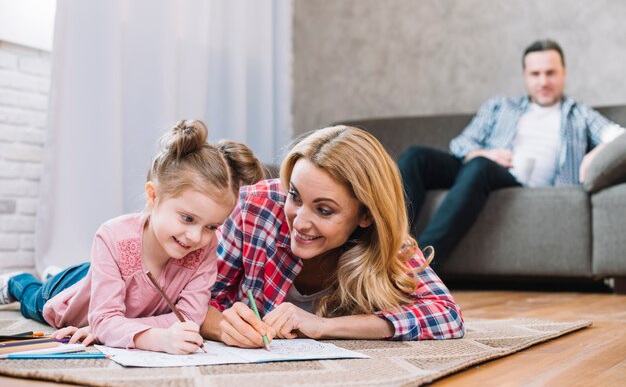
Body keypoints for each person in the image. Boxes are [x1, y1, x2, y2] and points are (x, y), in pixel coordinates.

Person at [0, 120, 264, 353]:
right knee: (34, 299)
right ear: (153, 196)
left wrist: (116, 329)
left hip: (109, 284)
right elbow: (105, 320)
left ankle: (65, 274)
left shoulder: (205, 249)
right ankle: (17, 281)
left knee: (94, 283)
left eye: (211, 227)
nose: (196, 237)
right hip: (72, 293)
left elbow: (189, 318)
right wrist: (156, 338)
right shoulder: (112, 236)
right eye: (187, 218)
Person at [200, 125, 464, 348]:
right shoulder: (255, 207)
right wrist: (222, 327)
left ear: (366, 215)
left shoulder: (385, 241)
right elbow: (191, 296)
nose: (300, 223)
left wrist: (323, 326)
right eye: (295, 196)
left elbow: (447, 315)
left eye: (324, 210)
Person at [397, 39, 625, 270]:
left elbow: (618, 136)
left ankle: (420, 267)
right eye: (535, 74)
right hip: (478, 166)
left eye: (551, 73)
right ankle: (388, 247)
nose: (543, 81)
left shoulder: (579, 114)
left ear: (564, 73)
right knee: (417, 156)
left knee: (480, 168)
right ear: (525, 76)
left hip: (509, 179)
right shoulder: (501, 106)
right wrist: (486, 153)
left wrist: (595, 153)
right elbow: (461, 143)